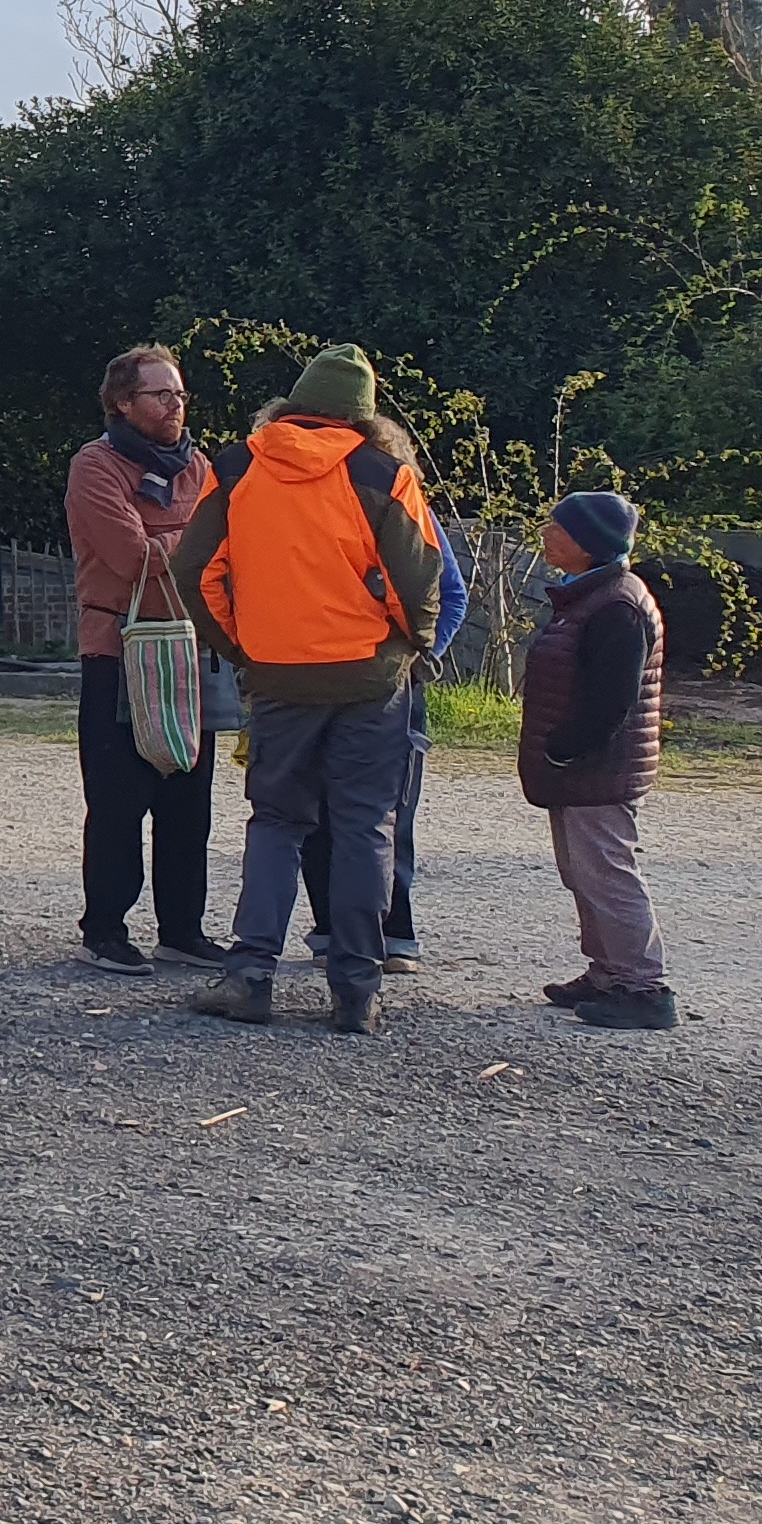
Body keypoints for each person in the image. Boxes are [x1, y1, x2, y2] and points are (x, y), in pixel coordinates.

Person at [173, 344, 446, 1037]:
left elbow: (195, 571)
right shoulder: (384, 473)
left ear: (292, 405)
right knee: (363, 826)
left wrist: (241, 644)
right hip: (369, 677)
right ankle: (356, 989)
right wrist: (410, 643)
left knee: (275, 822)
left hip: (277, 675)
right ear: (365, 414)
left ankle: (249, 975)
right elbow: (420, 581)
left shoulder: (235, 467)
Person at [66, 347, 223, 973]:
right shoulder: (95, 465)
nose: (175, 405)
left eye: (180, 394)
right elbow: (131, 556)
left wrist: (173, 542)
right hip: (118, 650)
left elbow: (224, 551)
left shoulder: (199, 467)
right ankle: (105, 930)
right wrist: (194, 540)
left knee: (189, 801)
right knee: (118, 799)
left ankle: (182, 929)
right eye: (161, 395)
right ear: (122, 403)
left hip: (189, 650)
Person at [520, 490, 676, 1031]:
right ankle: (609, 972)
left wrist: (565, 748)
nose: (546, 534)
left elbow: (612, 699)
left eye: (558, 528)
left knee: (607, 875)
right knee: (584, 873)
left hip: (597, 770)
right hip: (582, 770)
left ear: (588, 543)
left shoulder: (616, 606)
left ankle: (642, 986)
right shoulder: (593, 595)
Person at [302, 489, 461, 971]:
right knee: (315, 811)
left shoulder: (408, 506)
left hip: (394, 685)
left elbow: (451, 594)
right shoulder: (298, 503)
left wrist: (423, 657)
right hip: (308, 678)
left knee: (392, 812)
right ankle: (330, 928)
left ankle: (394, 931)